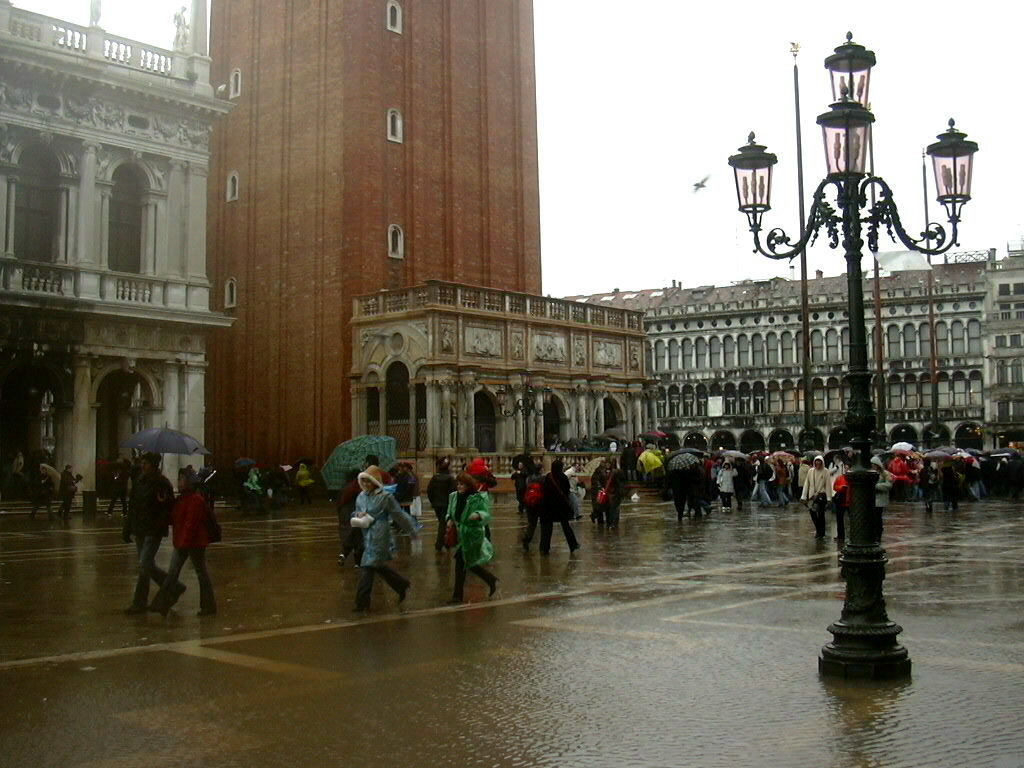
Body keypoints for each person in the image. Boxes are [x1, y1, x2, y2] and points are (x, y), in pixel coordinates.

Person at [149, 470, 217, 617]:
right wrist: (165, 502)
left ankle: (208, 605)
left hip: (195, 543)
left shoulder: (196, 500)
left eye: (181, 480)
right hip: (182, 541)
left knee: (201, 573)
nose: (178, 482)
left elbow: (191, 524)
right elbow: (174, 519)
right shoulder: (182, 499)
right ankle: (162, 604)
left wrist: (182, 542)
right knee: (173, 573)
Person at [350, 465, 417, 613]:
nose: (366, 484)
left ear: (375, 481)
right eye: (364, 481)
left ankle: (362, 602)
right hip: (367, 534)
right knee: (377, 566)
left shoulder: (385, 497)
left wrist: (411, 530)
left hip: (380, 534)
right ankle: (401, 584)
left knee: (367, 567)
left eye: (369, 481)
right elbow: (356, 512)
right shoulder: (361, 496)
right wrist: (357, 516)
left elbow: (398, 515)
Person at [122, 453, 181, 614]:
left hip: (153, 529)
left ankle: (140, 602)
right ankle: (174, 587)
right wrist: (127, 527)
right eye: (142, 463)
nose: (143, 466)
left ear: (154, 465)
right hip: (139, 528)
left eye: (146, 463)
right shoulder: (139, 481)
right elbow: (132, 506)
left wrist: (164, 502)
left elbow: (170, 506)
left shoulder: (162, 483)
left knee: (143, 565)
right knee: (147, 565)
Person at [445, 472, 498, 603]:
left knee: (461, 564)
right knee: (468, 563)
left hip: (471, 534)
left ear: (468, 485)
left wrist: (477, 515)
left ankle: (457, 596)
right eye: (458, 484)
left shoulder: (477, 498)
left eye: (462, 484)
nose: (459, 486)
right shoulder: (453, 497)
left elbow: (486, 514)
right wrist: (449, 520)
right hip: (460, 534)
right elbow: (449, 512)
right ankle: (490, 579)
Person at [538, 459, 579, 555]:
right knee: (566, 526)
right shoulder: (563, 477)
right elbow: (566, 491)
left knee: (546, 529)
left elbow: (544, 490)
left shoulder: (548, 476)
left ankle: (544, 548)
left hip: (547, 506)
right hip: (560, 506)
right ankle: (573, 545)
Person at [427, 458, 457, 552]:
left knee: (442, 522)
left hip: (437, 504)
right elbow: (453, 492)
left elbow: (429, 491)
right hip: (446, 504)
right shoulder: (450, 479)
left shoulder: (434, 478)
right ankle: (440, 543)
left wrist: (433, 501)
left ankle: (446, 542)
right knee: (443, 524)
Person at [335, 470, 364, 565]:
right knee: (358, 535)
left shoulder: (344, 487)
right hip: (356, 513)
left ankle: (344, 553)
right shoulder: (360, 488)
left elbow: (339, 502)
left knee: (348, 535)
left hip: (344, 514)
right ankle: (357, 561)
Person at [801, 456, 833, 539]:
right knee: (812, 513)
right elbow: (806, 484)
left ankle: (821, 533)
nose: (818, 464)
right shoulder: (811, 471)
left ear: (822, 463)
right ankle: (819, 530)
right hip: (812, 496)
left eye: (819, 462)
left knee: (821, 514)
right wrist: (803, 496)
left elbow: (828, 485)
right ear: (814, 463)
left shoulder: (826, 472)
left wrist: (829, 498)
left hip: (822, 495)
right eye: (816, 462)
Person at [592, 458, 625, 526]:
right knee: (606, 509)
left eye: (608, 463)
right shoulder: (601, 472)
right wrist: (600, 488)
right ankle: (607, 523)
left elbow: (619, 483)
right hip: (605, 493)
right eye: (606, 463)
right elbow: (597, 481)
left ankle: (612, 523)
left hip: (613, 494)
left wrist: (619, 492)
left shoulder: (616, 472)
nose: (607, 465)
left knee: (613, 509)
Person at [870, 456, 893, 543]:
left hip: (880, 500)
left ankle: (878, 535)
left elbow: (888, 485)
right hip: (871, 500)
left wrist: (876, 486)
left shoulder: (885, 474)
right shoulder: (870, 474)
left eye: (874, 465)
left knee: (877, 518)